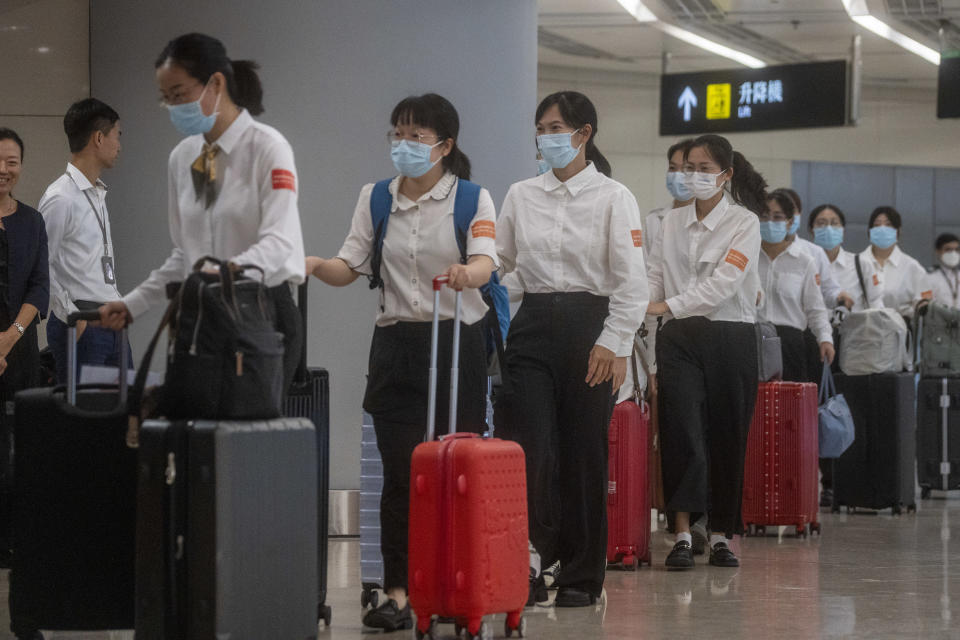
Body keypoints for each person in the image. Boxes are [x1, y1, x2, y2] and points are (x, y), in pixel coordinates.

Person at [306, 93, 496, 631]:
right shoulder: (376, 197)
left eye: (417, 136)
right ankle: (398, 592)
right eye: (398, 133)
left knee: (455, 474)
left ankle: (455, 588)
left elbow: (485, 258)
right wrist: (319, 265)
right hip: (396, 345)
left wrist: (468, 272)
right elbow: (351, 263)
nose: (405, 145)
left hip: (456, 343)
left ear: (445, 145)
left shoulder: (473, 199)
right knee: (401, 477)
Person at [495, 90, 648, 607]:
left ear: (583, 135)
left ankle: (583, 575)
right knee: (529, 447)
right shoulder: (520, 195)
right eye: (541, 128)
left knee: (583, 453)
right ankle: (533, 560)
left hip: (591, 328)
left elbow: (632, 281)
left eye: (556, 128)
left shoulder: (613, 197)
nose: (546, 138)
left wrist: (614, 340)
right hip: (532, 326)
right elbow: (506, 267)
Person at [99, 33, 305, 392]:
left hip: (260, 312)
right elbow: (186, 255)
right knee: (195, 436)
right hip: (200, 314)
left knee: (244, 438)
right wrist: (133, 303)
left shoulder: (267, 148)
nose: (173, 107)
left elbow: (279, 243)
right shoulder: (184, 157)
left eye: (179, 95)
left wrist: (219, 273)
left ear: (216, 83)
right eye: (166, 99)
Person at [646, 133, 765, 570]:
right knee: (681, 431)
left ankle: (720, 535)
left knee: (727, 435)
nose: (691, 176)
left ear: (725, 175)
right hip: (678, 337)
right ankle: (681, 533)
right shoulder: (669, 223)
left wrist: (665, 305)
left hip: (729, 336)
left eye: (702, 169)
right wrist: (645, 307)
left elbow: (724, 286)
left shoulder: (744, 223)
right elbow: (654, 275)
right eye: (686, 168)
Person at [39, 99, 130, 383]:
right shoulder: (60, 197)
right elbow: (43, 266)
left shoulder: (97, 193)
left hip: (111, 317)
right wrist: (72, 317)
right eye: (117, 135)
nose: (120, 145)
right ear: (99, 138)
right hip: (82, 321)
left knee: (125, 413)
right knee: (86, 419)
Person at [0, 128, 48, 587]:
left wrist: (9, 337)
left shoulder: (33, 221)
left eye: (11, 161)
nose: (3, 170)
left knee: (20, 447)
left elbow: (39, 286)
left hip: (21, 350)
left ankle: (16, 539)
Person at [757, 190, 835, 383]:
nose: (770, 222)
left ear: (790, 223)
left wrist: (825, 339)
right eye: (765, 216)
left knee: (788, 407)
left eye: (777, 217)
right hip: (753, 339)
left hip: (789, 343)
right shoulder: (748, 256)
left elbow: (815, 308)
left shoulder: (803, 261)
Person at [780, 187, 851, 311]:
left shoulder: (813, 252)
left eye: (792, 211)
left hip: (802, 326)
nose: (787, 218)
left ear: (799, 215)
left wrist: (838, 297)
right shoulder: (756, 250)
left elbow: (828, 289)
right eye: (779, 214)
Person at [859, 206, 932, 321]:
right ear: (869, 231)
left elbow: (924, 310)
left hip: (900, 334)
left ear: (898, 231)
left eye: (888, 225)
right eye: (877, 225)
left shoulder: (912, 267)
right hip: (860, 332)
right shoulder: (856, 263)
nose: (882, 229)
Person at [808, 203, 884, 312]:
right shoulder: (804, 263)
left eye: (834, 223)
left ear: (843, 230)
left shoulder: (861, 264)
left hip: (853, 328)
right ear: (811, 230)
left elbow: (876, 305)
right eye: (821, 223)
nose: (829, 229)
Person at [930, 233, 959, 309]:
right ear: (938, 251)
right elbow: (927, 304)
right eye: (948, 249)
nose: (953, 253)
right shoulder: (929, 278)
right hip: (940, 319)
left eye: (956, 250)